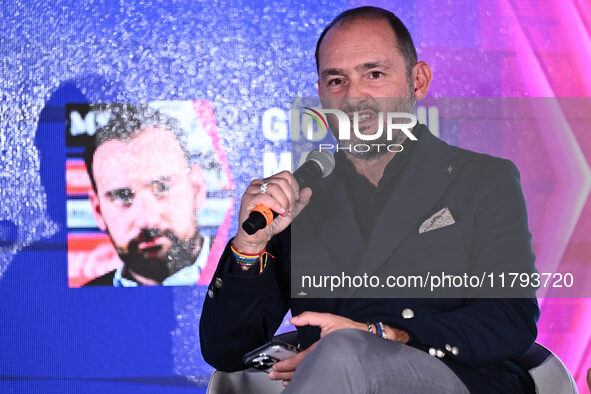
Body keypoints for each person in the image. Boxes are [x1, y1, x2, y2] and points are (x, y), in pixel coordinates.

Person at [200, 6, 539, 393]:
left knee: (342, 350)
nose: (354, 96)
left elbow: (511, 318)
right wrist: (249, 245)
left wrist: (381, 335)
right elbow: (226, 352)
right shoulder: (300, 199)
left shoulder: (482, 179)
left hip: (460, 380)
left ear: (418, 80)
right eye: (337, 80)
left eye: (374, 74)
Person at [83, 104, 209, 286]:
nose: (148, 221)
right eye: (122, 196)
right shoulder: (80, 304)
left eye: (162, 188)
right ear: (98, 211)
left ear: (196, 188)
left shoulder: (253, 278)